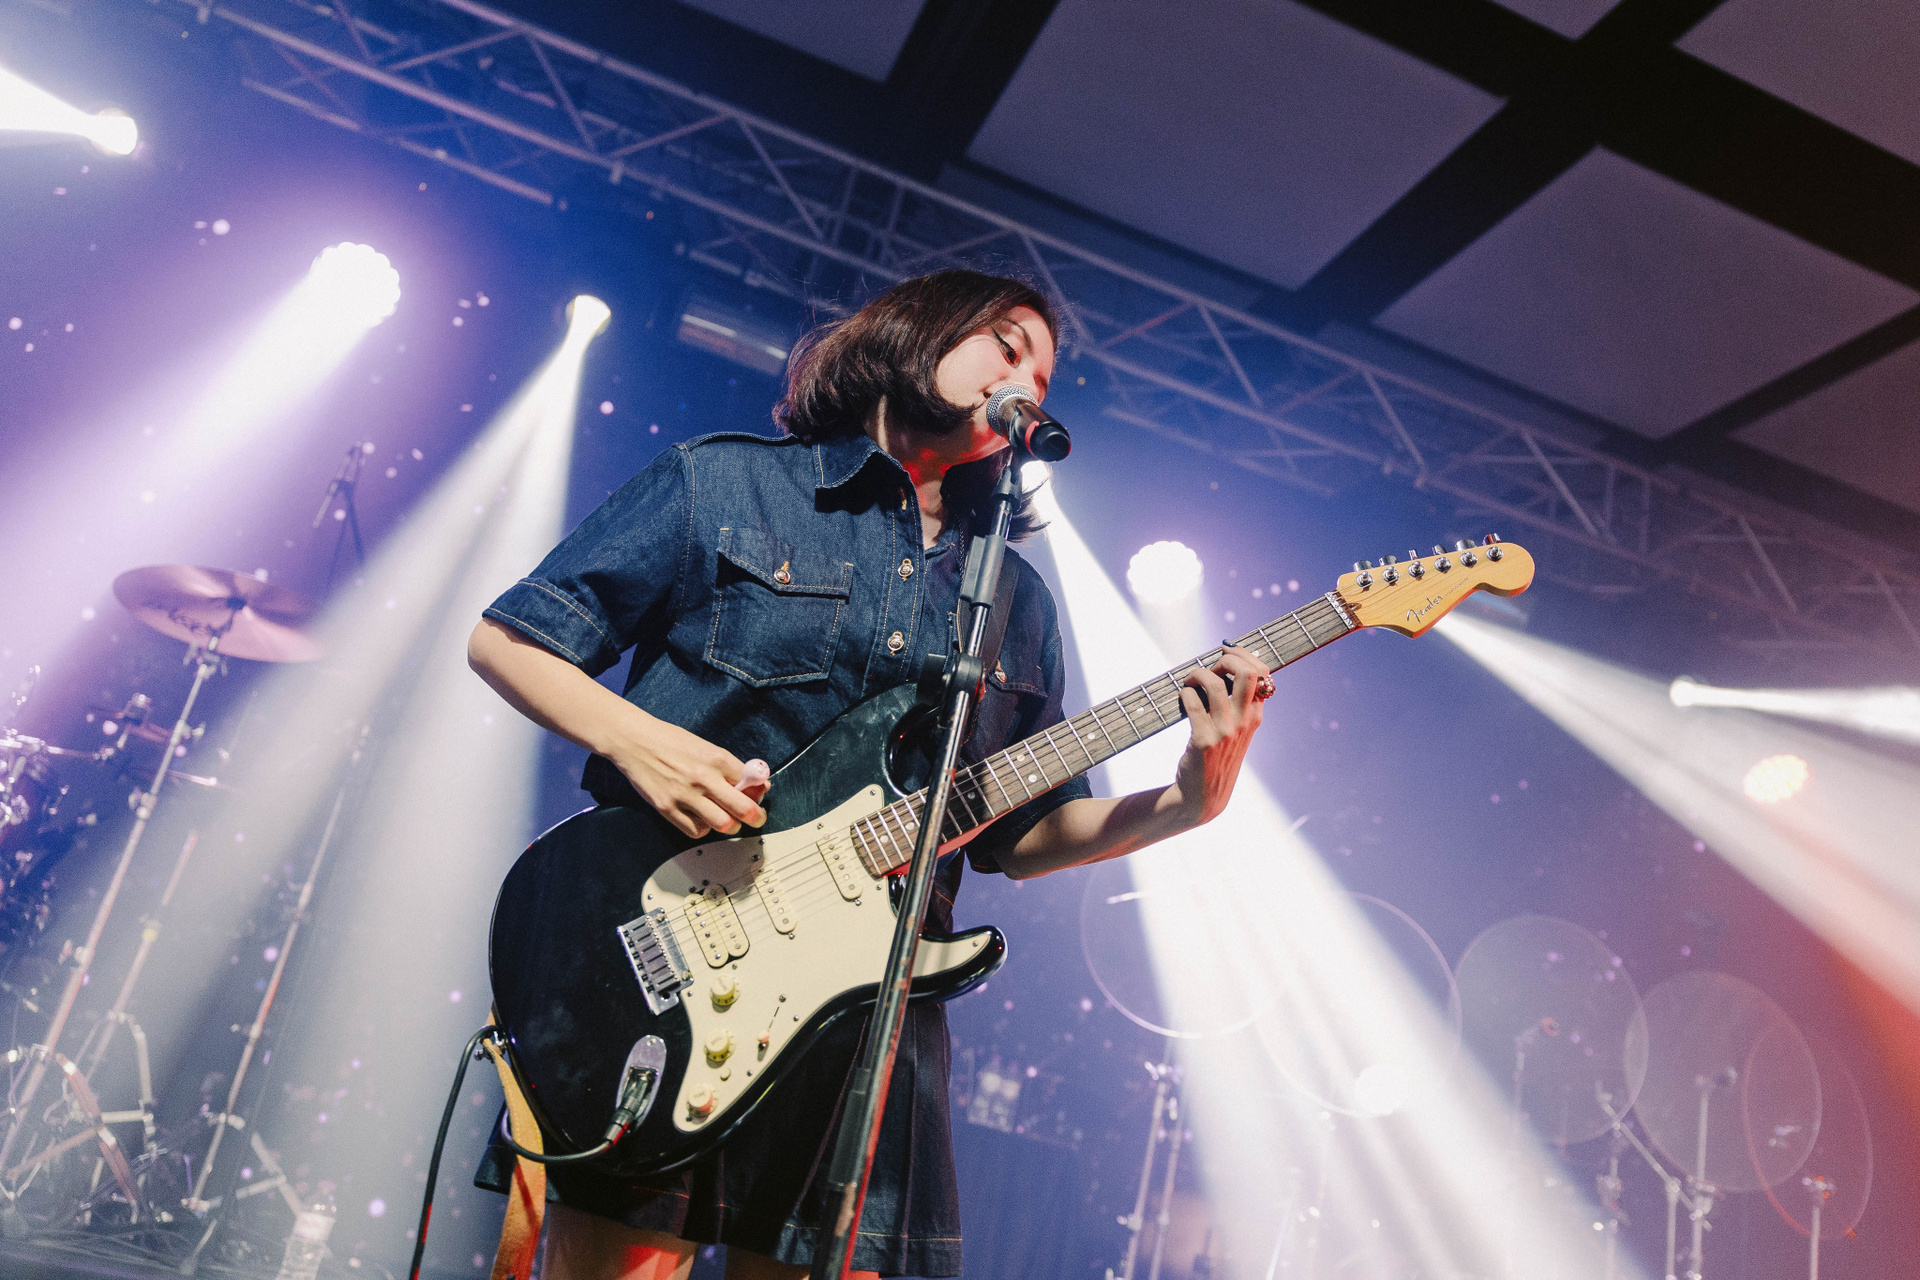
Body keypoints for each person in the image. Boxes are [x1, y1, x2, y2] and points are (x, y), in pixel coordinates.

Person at [467, 269, 1270, 1280]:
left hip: (867, 1015)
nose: (1027, 382)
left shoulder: (1017, 603)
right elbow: (508, 640)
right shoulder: (725, 483)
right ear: (915, 331)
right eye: (1007, 346)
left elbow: (1023, 836)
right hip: (671, 965)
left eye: (1044, 376)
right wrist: (640, 741)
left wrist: (1191, 799)